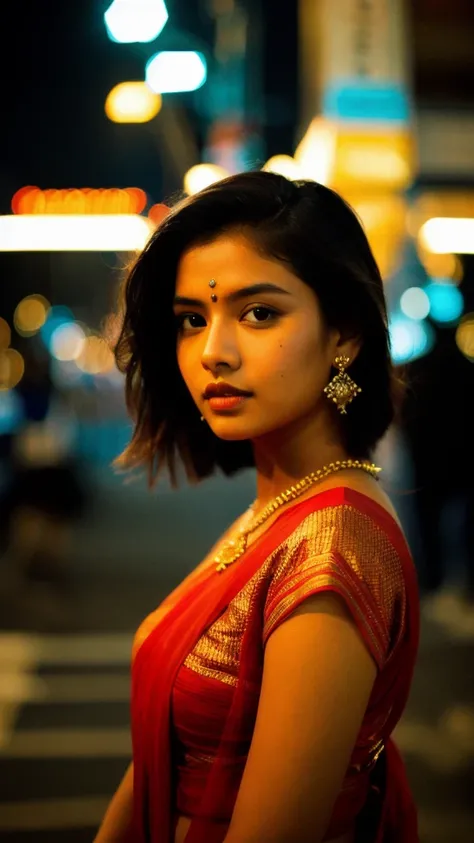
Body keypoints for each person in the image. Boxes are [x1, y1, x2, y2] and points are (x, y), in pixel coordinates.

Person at [94, 172, 420, 843]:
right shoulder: (281, 507)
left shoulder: (333, 547)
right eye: (192, 319)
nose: (213, 351)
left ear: (345, 335)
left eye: (259, 312)